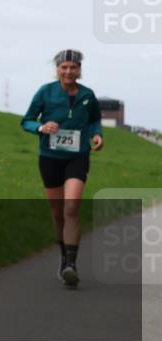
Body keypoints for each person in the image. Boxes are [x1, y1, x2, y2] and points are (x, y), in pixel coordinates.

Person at [21, 49, 104, 288]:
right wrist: (40, 127)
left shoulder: (88, 95)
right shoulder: (45, 92)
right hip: (50, 157)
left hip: (77, 157)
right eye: (64, 67)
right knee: (58, 213)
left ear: (79, 69)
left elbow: (94, 119)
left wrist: (97, 135)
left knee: (72, 206)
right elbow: (26, 120)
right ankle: (63, 257)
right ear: (57, 69)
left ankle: (71, 265)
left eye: (73, 67)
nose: (68, 71)